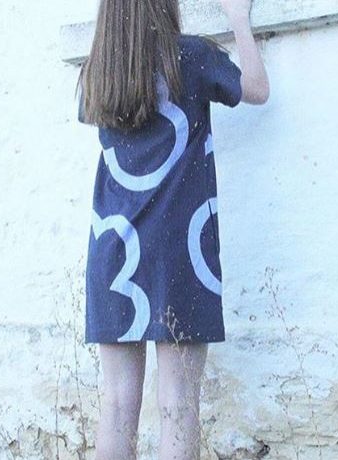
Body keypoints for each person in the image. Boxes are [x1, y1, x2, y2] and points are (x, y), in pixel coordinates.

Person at [76, 0, 269, 458]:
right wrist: (238, 20)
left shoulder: (95, 73)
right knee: (179, 406)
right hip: (181, 252)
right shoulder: (191, 58)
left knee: (116, 406)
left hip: (113, 251)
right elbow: (257, 89)